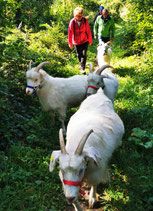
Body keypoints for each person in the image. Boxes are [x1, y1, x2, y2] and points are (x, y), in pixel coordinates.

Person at [68, 7, 92, 74]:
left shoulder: (85, 20)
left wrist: (90, 40)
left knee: (84, 54)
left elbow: (88, 30)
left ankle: (82, 68)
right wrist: (70, 43)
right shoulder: (72, 22)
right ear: (75, 15)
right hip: (76, 41)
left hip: (84, 40)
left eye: (80, 16)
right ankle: (80, 64)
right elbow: (70, 33)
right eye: (78, 16)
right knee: (79, 54)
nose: (79, 17)